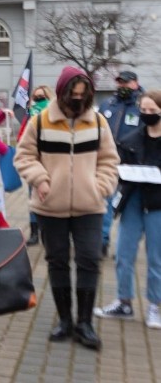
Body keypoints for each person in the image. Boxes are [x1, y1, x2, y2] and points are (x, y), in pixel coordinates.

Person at [14, 66, 119, 351]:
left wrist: (100, 187)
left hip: (90, 208)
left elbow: (110, 161)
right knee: (57, 261)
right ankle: (64, 320)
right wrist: (40, 179)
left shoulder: (97, 122)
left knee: (88, 260)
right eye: (72, 95)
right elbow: (24, 156)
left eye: (82, 96)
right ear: (61, 93)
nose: (77, 100)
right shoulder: (41, 122)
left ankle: (85, 323)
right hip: (50, 208)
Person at [94, 89, 161, 329]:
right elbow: (116, 166)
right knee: (124, 254)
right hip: (133, 200)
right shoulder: (131, 139)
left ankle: (155, 306)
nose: (147, 114)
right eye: (144, 110)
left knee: (156, 258)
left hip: (157, 204)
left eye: (153, 111)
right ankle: (124, 302)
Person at [100, 70, 143, 257]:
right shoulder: (108, 104)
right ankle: (102, 242)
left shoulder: (143, 105)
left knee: (127, 206)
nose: (122, 86)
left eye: (126, 83)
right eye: (120, 83)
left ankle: (124, 246)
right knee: (105, 203)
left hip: (133, 165)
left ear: (135, 83)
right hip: (108, 162)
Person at [18, 85, 54, 245]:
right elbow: (23, 135)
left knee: (50, 198)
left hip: (51, 161)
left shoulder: (53, 114)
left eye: (42, 96)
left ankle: (49, 231)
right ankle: (34, 233)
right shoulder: (30, 113)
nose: (38, 99)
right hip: (34, 162)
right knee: (33, 197)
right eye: (36, 96)